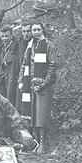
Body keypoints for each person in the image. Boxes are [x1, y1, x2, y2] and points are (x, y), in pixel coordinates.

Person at [19, 21, 57, 152]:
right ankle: (33, 141)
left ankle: (43, 142)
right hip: (30, 84)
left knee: (42, 113)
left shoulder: (48, 45)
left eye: (38, 29)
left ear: (42, 30)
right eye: (33, 30)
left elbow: (52, 66)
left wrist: (45, 83)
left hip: (44, 84)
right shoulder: (30, 46)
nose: (35, 32)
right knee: (31, 112)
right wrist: (21, 81)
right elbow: (24, 64)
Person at [0, 24, 20, 106]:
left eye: (6, 36)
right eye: (2, 36)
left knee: (12, 101)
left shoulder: (16, 48)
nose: (4, 39)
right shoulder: (2, 48)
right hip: (3, 78)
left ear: (11, 36)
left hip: (12, 78)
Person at [14, 21, 33, 112]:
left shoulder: (36, 44)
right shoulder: (19, 44)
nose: (26, 33)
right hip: (21, 76)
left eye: (28, 31)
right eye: (24, 31)